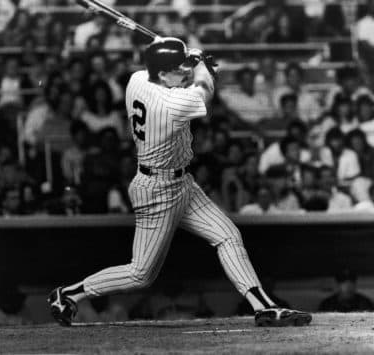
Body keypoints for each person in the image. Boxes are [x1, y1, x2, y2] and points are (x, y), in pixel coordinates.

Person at [48, 37, 312, 327]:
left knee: (228, 235)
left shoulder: (138, 79)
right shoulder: (171, 104)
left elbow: (170, 69)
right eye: (178, 67)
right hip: (157, 190)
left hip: (181, 181)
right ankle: (68, 293)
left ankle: (263, 307)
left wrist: (179, 52)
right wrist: (202, 66)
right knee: (141, 274)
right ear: (161, 73)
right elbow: (204, 91)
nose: (184, 71)